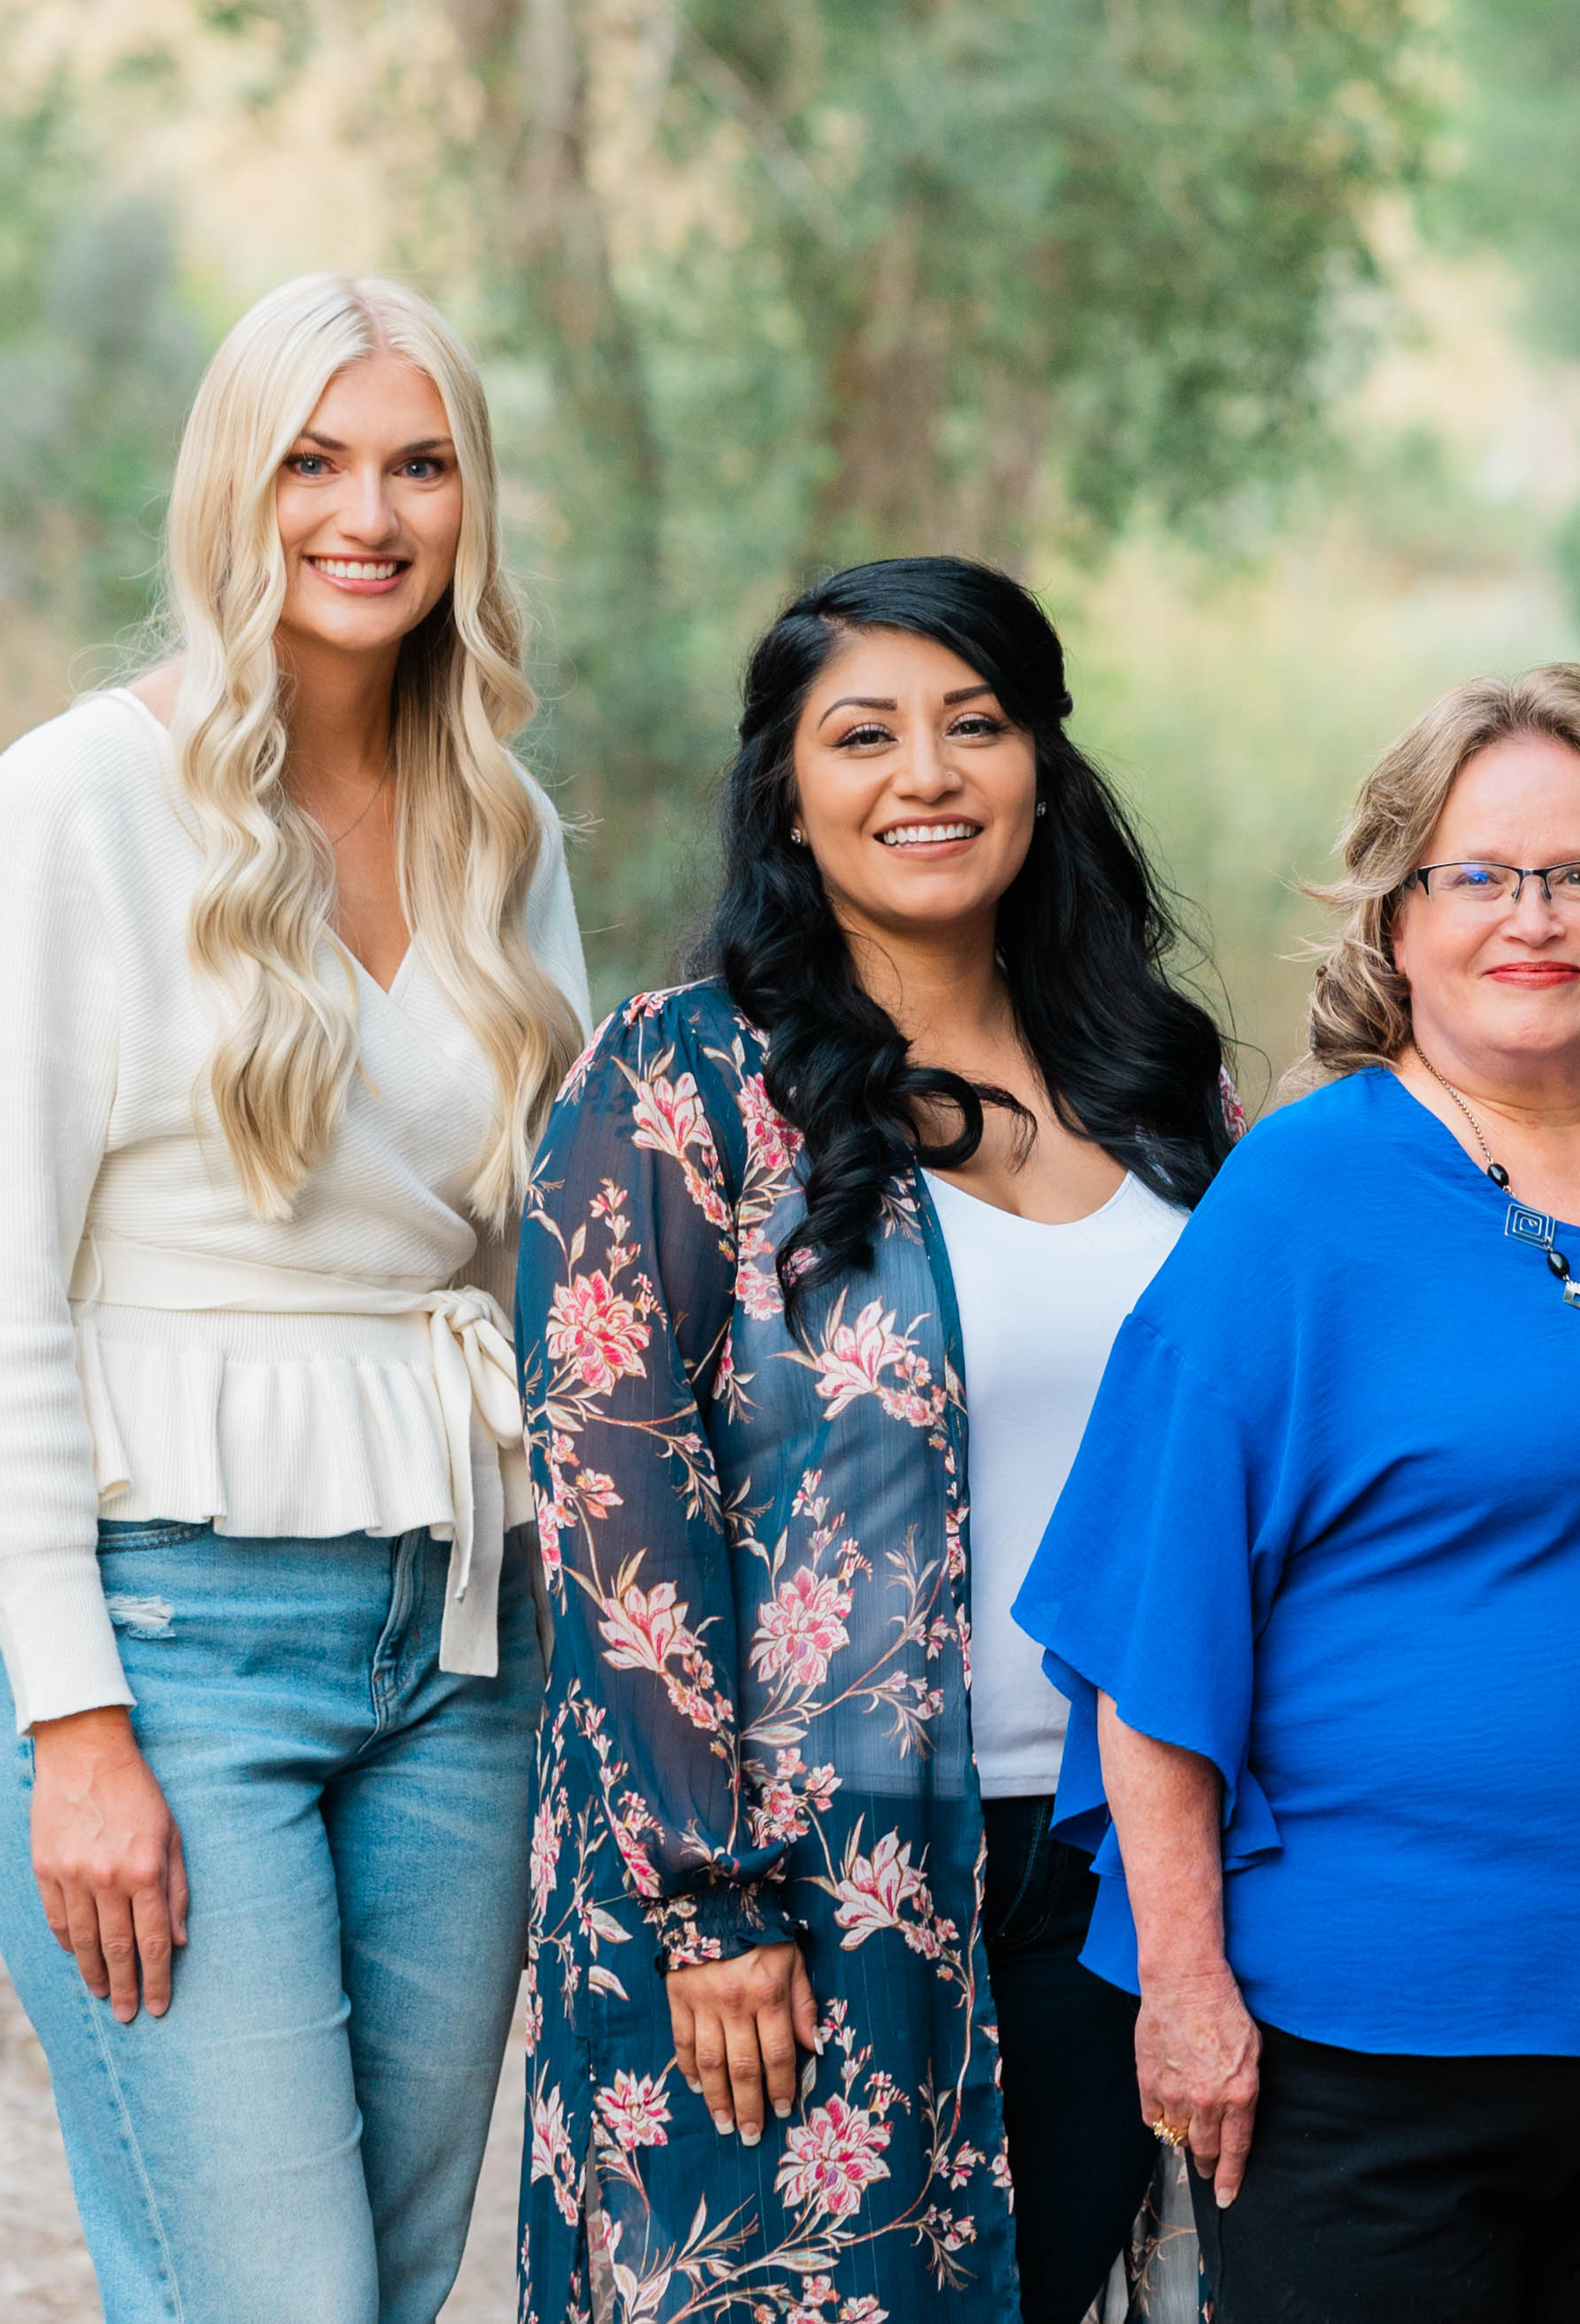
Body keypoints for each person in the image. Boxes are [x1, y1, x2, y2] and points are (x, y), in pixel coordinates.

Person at [1017, 666, 1580, 2323]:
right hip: (1372, 2029)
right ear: (1396, 920)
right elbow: (1153, 1611)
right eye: (1476, 875)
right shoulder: (1311, 1188)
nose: (1533, 915)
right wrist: (1188, 1982)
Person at [0, 271, 582, 2324]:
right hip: (168, 1627)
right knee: (267, 2294)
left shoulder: (505, 825)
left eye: (416, 461)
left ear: (469, 503)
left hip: (463, 1644)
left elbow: (525, 1244)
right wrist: (76, 1719)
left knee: (379, 2285)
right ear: (237, 481)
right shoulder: (75, 801)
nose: (362, 510)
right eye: (311, 457)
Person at [513, 557, 1235, 2320]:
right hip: (794, 1879)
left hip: (1108, 1856)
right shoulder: (673, 1085)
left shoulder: (1164, 1090)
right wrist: (710, 1893)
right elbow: (615, 1493)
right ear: (788, 790)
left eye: (973, 725)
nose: (926, 773)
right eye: (865, 734)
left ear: (1043, 765)